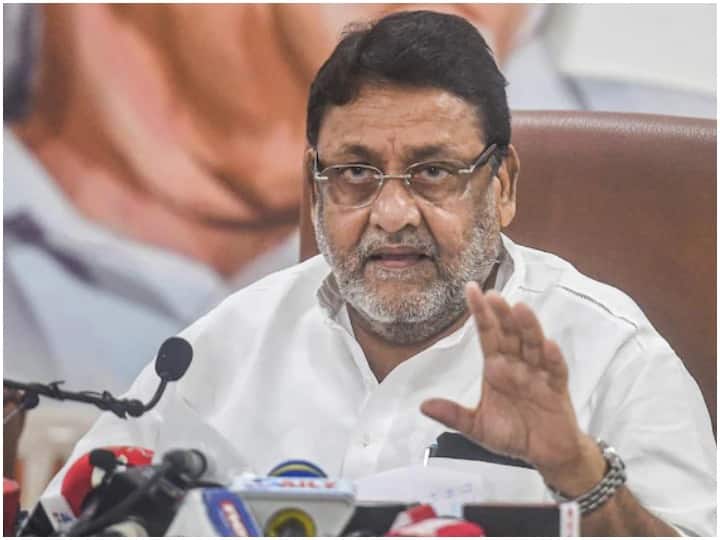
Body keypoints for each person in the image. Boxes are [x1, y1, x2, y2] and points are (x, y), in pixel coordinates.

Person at [42, 11, 714, 536]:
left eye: (433, 172)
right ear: (315, 189)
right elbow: (73, 517)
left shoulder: (610, 355)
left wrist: (579, 474)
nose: (392, 215)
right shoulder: (223, 347)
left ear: (503, 185)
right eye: (356, 173)